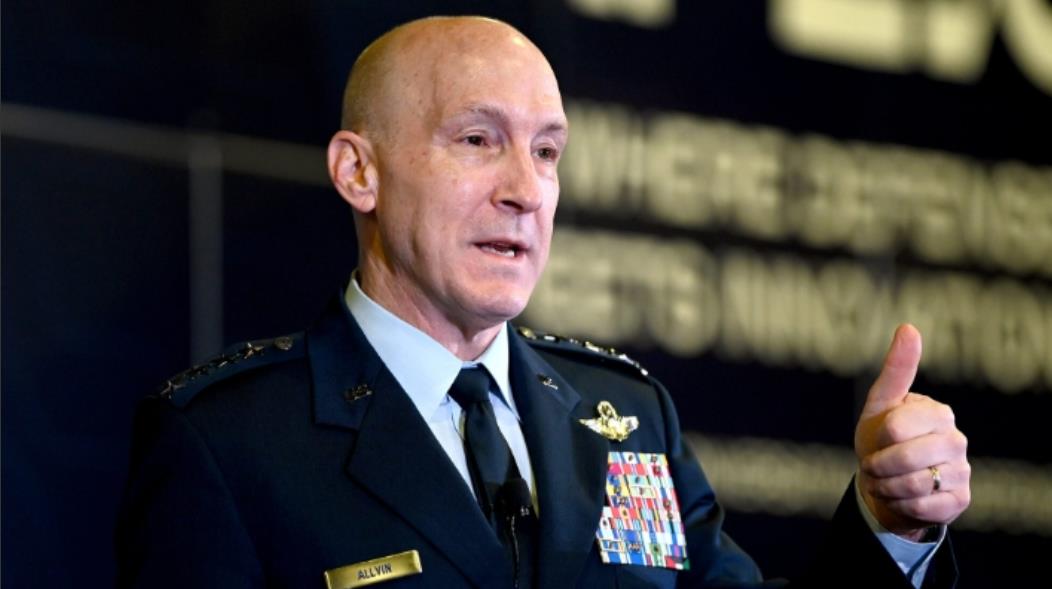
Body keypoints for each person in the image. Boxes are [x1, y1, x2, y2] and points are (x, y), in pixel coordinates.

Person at [115, 16, 970, 589]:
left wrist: (888, 524)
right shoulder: (227, 442)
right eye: (478, 139)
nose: (525, 189)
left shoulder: (628, 417)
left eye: (548, 152)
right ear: (359, 171)